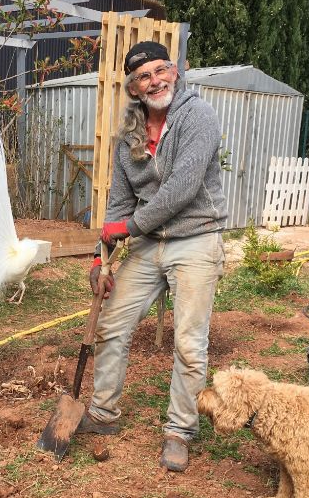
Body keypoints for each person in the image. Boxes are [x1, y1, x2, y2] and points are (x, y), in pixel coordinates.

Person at [77, 40, 227, 472]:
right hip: (149, 242)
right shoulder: (130, 134)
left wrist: (128, 229)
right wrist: (98, 257)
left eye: (161, 70)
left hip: (195, 236)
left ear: (175, 72)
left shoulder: (198, 115)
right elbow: (119, 202)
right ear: (134, 88)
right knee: (112, 326)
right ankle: (103, 414)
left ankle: (180, 430)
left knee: (189, 343)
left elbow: (180, 190)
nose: (155, 80)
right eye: (144, 76)